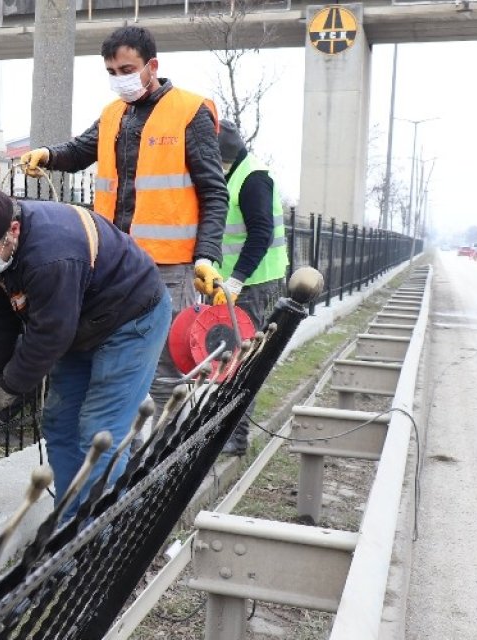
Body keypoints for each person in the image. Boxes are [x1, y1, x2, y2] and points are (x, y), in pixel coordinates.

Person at [17, 25, 228, 416]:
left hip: (170, 265)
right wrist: (48, 154)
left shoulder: (189, 110)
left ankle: (169, 457)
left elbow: (214, 192)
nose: (120, 79)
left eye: (127, 69)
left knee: (166, 367)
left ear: (152, 65)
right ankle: (123, 453)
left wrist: (206, 257)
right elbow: (81, 149)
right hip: (114, 263)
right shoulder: (114, 114)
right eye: (112, 72)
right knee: (111, 356)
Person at [0, 179, 171, 519]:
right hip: (80, 321)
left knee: (100, 433)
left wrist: (9, 386)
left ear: (14, 230)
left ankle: (100, 539)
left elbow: (50, 335)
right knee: (60, 423)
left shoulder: (52, 256)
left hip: (131, 319)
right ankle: (70, 523)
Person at [212, 120, 288, 455]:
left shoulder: (253, 177)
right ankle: (221, 424)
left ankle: (236, 435)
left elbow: (261, 234)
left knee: (243, 358)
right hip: (235, 283)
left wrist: (236, 278)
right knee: (228, 353)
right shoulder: (231, 174)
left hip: (255, 283)